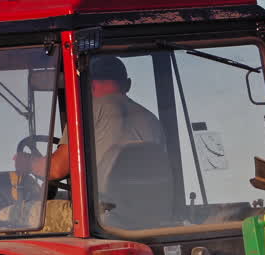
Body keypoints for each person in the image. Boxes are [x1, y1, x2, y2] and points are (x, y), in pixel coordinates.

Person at [16, 55, 164, 190]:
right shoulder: (152, 120)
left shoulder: (87, 112)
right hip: (147, 212)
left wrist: (28, 163)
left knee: (16, 213)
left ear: (90, 85)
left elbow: (56, 169)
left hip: (105, 211)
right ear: (128, 84)